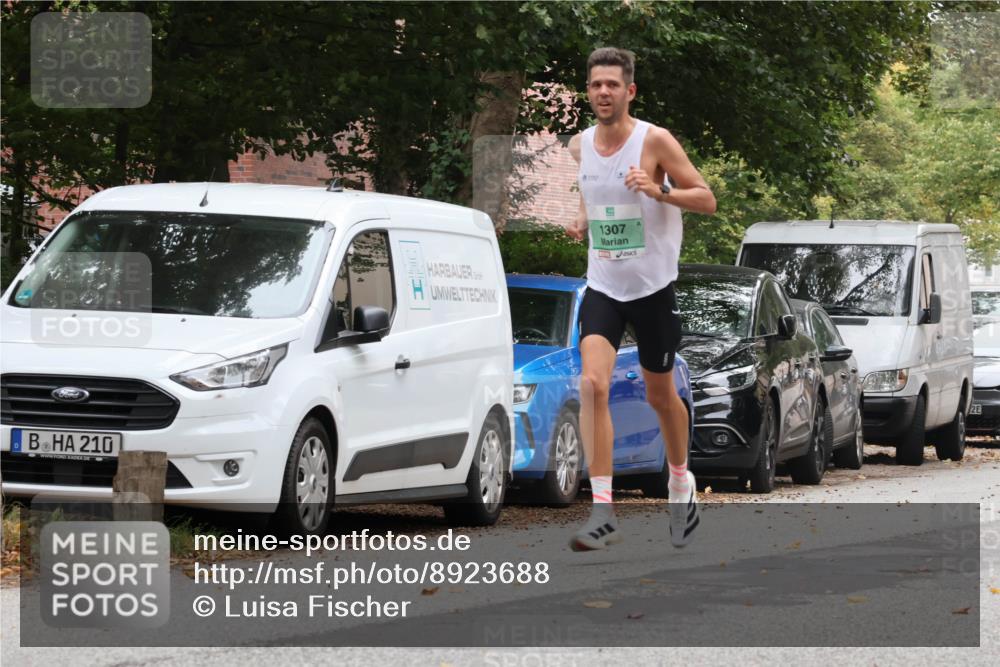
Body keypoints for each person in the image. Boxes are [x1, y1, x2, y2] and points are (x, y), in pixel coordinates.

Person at [566, 47, 716, 551]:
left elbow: (707, 198)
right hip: (605, 285)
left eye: (612, 85)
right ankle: (603, 510)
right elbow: (592, 190)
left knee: (659, 396)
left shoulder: (655, 140)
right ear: (587, 92)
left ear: (629, 91)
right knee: (591, 384)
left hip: (653, 289)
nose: (603, 92)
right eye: (595, 85)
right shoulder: (578, 145)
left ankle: (680, 483)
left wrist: (659, 191)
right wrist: (585, 219)